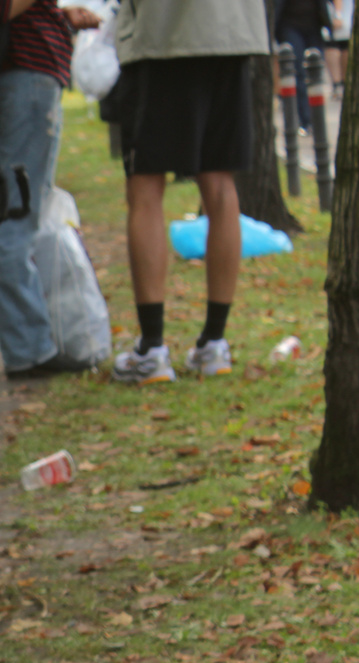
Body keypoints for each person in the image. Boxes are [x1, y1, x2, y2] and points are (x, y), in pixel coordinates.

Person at [109, 0, 270, 386]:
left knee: (145, 184)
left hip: (163, 35)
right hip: (231, 32)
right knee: (219, 184)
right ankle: (214, 343)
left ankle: (152, 348)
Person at [0, 0, 101, 380]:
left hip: (22, 74)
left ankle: (29, 344)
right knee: (15, 219)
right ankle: (28, 350)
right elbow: (0, 9)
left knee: (18, 213)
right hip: (23, 75)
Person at [273, 0, 330, 132]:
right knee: (299, 71)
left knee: (316, 72)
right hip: (289, 25)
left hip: (314, 26)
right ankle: (306, 119)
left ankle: (315, 120)